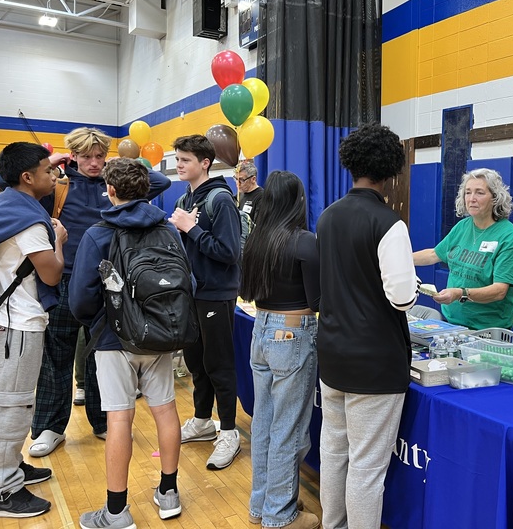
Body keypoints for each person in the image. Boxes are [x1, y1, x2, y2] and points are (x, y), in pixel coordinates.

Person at [30, 127, 170, 457]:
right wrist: (51, 162)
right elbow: (10, 185)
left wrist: (117, 165)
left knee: (101, 357)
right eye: (86, 157)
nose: (94, 163)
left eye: (99, 156)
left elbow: (160, 182)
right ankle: (50, 427)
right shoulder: (58, 185)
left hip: (110, 284)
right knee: (56, 357)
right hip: (64, 279)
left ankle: (103, 421)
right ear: (73, 156)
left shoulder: (113, 183)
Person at [69, 158, 183, 528]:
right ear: (147, 189)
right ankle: (169, 493)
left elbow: (80, 299)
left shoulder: (97, 234)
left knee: (119, 417)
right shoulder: (168, 229)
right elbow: (187, 282)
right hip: (160, 334)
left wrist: (99, 323)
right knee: (165, 410)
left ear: (110, 190)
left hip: (113, 336)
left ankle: (116, 512)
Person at [316, 124, 419, 529]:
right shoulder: (389, 223)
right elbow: (402, 298)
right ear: (390, 170)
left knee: (333, 451)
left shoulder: (328, 216)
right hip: (374, 363)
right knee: (366, 467)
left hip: (333, 353)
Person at [241, 171, 321, 529]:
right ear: (298, 201)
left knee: (264, 423)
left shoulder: (257, 240)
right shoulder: (304, 241)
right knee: (288, 428)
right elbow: (318, 301)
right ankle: (280, 513)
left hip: (261, 330)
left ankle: (263, 505)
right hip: (292, 334)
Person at [0, 143, 66, 518]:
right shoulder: (30, 222)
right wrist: (60, 242)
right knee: (12, 405)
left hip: (4, 322)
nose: (53, 176)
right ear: (27, 177)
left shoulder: (4, 205)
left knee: (7, 401)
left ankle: (9, 465)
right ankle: (0, 488)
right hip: (18, 325)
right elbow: (51, 274)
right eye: (47, 170)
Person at [169, 134, 242, 470]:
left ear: (205, 163)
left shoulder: (220, 199)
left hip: (217, 294)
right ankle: (201, 420)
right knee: (196, 361)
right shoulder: (187, 197)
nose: (178, 165)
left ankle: (228, 431)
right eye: (177, 159)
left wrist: (191, 229)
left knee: (219, 365)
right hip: (193, 294)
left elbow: (229, 252)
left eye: (185, 160)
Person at [413, 168, 513, 330]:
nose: (472, 198)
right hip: (451, 323)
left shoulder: (508, 235)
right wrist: (398, 260)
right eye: (468, 192)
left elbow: (499, 291)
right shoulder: (462, 226)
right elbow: (434, 254)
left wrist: (461, 293)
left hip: (487, 330)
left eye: (479, 193)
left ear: (495, 198)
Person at [235, 159, 263, 224]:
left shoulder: (262, 197)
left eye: (241, 180)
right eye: (236, 179)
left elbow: (258, 225)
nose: (238, 183)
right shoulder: (239, 194)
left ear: (253, 179)